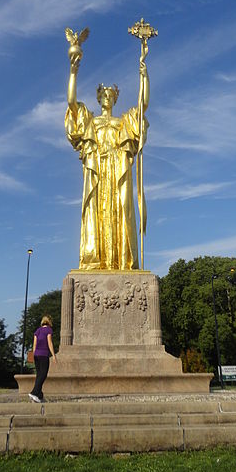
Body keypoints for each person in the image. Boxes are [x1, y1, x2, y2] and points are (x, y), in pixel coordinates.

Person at [65, 41, 150, 270]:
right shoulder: (91, 121)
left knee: (121, 210)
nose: (107, 98)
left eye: (111, 95)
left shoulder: (121, 122)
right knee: (96, 213)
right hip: (98, 171)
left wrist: (144, 76)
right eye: (103, 95)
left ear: (115, 99)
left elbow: (143, 106)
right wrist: (73, 71)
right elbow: (72, 102)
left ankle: (122, 261)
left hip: (118, 170)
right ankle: (96, 260)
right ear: (99, 98)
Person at [28, 315, 57, 403]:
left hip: (36, 355)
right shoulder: (48, 330)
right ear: (49, 321)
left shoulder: (38, 330)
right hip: (44, 355)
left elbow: (34, 345)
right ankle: (34, 392)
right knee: (43, 374)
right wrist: (54, 355)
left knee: (39, 375)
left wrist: (33, 356)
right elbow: (49, 343)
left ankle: (39, 396)